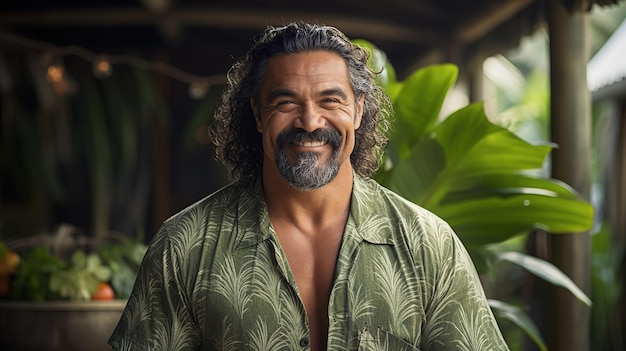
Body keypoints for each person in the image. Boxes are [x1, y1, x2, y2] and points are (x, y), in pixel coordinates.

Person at [109, 22, 510, 351]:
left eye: (330, 100)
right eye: (286, 103)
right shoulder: (186, 245)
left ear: (358, 109)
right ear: (258, 114)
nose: (310, 121)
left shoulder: (428, 244)